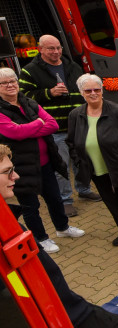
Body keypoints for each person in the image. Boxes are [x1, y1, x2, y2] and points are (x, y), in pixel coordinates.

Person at [0, 143, 118, 328]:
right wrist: (77, 319)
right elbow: (40, 285)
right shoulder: (7, 234)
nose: (16, 177)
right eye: (7, 171)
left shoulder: (9, 223)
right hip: (44, 326)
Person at [0, 68, 84, 253]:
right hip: (22, 168)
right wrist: (38, 123)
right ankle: (41, 238)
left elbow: (52, 124)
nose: (10, 85)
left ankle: (62, 228)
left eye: (13, 81)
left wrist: (26, 129)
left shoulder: (28, 102)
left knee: (55, 198)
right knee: (31, 206)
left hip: (45, 162)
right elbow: (14, 133)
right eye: (4, 83)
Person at [18, 34, 100, 218]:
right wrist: (49, 93)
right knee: (62, 166)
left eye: (58, 48)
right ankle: (65, 200)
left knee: (82, 161)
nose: (55, 52)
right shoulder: (30, 71)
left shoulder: (72, 66)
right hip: (55, 129)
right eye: (50, 48)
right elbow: (23, 97)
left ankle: (84, 189)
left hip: (78, 125)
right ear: (40, 49)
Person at [66, 74, 118, 246]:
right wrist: (79, 160)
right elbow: (71, 142)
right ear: (82, 93)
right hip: (95, 168)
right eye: (88, 90)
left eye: (97, 89)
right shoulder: (75, 115)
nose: (93, 93)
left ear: (102, 90)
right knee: (111, 201)